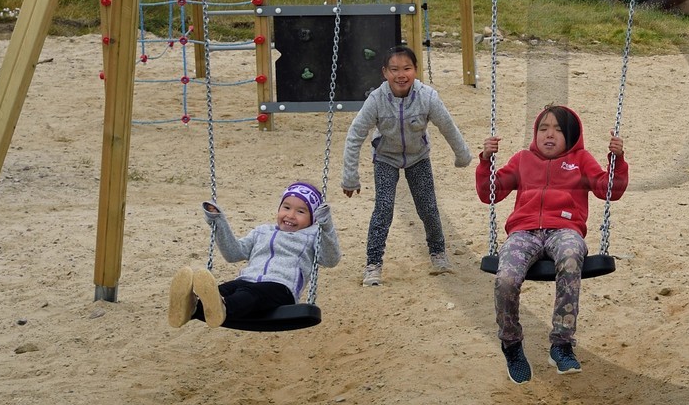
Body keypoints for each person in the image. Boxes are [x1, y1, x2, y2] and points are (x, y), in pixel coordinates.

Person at [476, 105, 628, 384]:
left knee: (571, 257)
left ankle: (562, 344)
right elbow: (490, 194)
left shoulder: (581, 160)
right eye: (543, 129)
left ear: (570, 137)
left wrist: (616, 161)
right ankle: (511, 344)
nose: (550, 134)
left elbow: (609, 189)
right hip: (524, 232)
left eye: (558, 130)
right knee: (506, 278)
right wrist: (486, 160)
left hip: (565, 229)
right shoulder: (522, 159)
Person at [341, 45, 474, 286]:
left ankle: (438, 254)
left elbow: (447, 127)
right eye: (394, 69)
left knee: (428, 207)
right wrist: (350, 176)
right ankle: (373, 264)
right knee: (383, 209)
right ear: (384, 73)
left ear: (415, 70)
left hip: (417, 157)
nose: (400, 75)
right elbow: (355, 135)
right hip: (385, 158)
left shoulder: (427, 97)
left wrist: (462, 155)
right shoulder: (376, 100)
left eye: (406, 69)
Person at [168, 182, 341, 328]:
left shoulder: (312, 238)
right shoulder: (262, 232)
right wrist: (218, 220)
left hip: (280, 288)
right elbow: (233, 253)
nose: (290, 215)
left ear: (313, 219)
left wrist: (326, 225)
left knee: (248, 295)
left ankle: (223, 306)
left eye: (301, 211)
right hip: (245, 281)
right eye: (286, 207)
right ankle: (191, 307)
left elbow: (331, 259)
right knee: (224, 290)